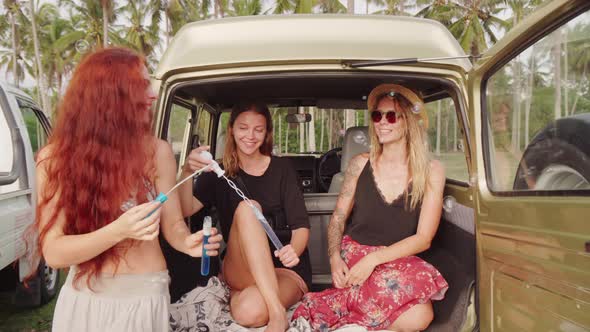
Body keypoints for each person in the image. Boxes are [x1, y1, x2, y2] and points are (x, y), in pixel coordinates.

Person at [30, 47, 222, 332]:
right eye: (141, 87)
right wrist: (118, 230)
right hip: (84, 301)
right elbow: (55, 253)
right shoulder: (54, 159)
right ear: (109, 95)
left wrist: (187, 243)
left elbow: (173, 224)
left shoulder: (158, 152)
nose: (153, 95)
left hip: (146, 295)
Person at [292, 84, 448, 331]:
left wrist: (375, 260)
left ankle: (354, 312)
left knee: (420, 316)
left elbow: (424, 238)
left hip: (399, 258)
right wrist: (334, 258)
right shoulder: (359, 164)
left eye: (391, 116)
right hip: (356, 251)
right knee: (411, 316)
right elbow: (338, 218)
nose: (381, 122)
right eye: (377, 115)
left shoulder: (431, 171)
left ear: (408, 122)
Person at [178, 102, 311, 332]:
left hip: (283, 269)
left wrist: (294, 251)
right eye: (243, 128)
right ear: (231, 130)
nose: (250, 136)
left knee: (249, 312)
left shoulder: (282, 169)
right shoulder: (216, 173)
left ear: (266, 133)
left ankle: (259, 299)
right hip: (241, 267)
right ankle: (278, 314)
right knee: (249, 208)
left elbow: (301, 227)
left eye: (258, 129)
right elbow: (185, 209)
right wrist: (187, 171)